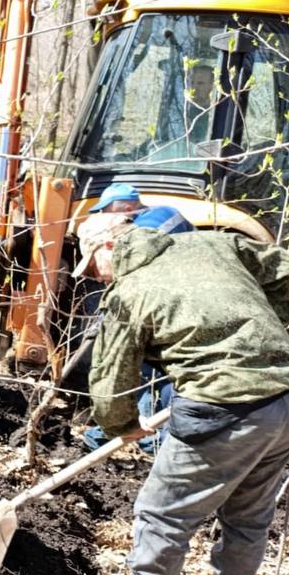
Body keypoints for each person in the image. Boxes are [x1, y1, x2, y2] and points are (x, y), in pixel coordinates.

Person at [73, 212, 289, 575]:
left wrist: (121, 425)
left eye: (92, 266)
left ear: (109, 246)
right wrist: (269, 327)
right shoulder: (213, 244)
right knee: (248, 514)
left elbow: (109, 378)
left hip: (223, 406)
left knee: (162, 513)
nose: (96, 276)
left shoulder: (131, 290)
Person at [78, 182, 196, 453]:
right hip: (173, 308)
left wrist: (116, 315)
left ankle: (150, 439)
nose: (105, 217)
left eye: (107, 211)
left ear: (128, 207)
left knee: (150, 370)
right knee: (152, 371)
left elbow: (138, 270)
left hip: (171, 312)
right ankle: (143, 433)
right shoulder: (153, 219)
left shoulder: (151, 223)